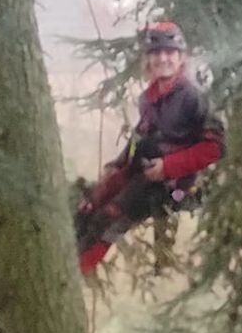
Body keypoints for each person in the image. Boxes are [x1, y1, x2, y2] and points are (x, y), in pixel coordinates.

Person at [76, 22, 224, 276]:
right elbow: (140, 138)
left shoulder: (193, 97)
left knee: (109, 217)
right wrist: (116, 167)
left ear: (181, 57)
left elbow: (215, 148)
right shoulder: (149, 98)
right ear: (148, 58)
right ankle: (67, 262)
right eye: (156, 53)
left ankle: (76, 275)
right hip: (146, 173)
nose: (163, 58)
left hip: (179, 188)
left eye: (170, 52)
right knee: (88, 208)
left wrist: (168, 167)